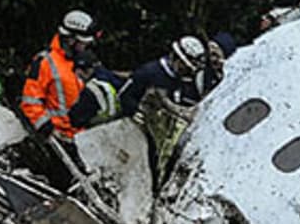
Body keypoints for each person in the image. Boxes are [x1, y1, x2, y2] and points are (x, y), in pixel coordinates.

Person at [21, 10, 99, 141]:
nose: (86, 46)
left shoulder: (80, 61)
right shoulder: (45, 63)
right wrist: (48, 130)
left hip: (83, 135)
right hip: (59, 136)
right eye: (83, 43)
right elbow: (30, 103)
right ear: (70, 40)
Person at [117, 36, 208, 117]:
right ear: (176, 58)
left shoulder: (181, 80)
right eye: (185, 67)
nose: (186, 73)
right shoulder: (148, 72)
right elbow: (124, 95)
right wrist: (136, 111)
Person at [67, 50, 125, 128]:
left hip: (99, 129)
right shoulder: (112, 79)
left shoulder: (91, 89)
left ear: (79, 71)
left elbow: (76, 119)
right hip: (120, 124)